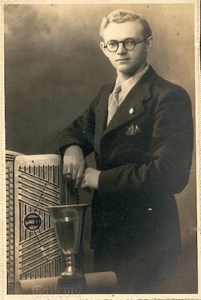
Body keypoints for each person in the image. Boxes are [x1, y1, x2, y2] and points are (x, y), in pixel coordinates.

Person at [54, 10, 193, 293]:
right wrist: (72, 148)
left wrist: (100, 179)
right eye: (113, 44)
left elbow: (170, 175)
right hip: (106, 235)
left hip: (148, 241)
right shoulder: (106, 95)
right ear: (103, 48)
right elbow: (72, 131)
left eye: (130, 42)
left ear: (148, 44)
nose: (121, 51)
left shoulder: (169, 97)